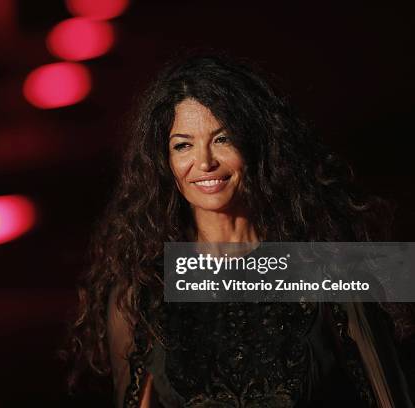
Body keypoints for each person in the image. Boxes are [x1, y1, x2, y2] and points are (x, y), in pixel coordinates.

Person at [63, 52, 415, 407]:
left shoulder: (334, 263)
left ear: (258, 143)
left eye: (223, 138)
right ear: (163, 161)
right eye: (183, 145)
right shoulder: (143, 285)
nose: (204, 162)